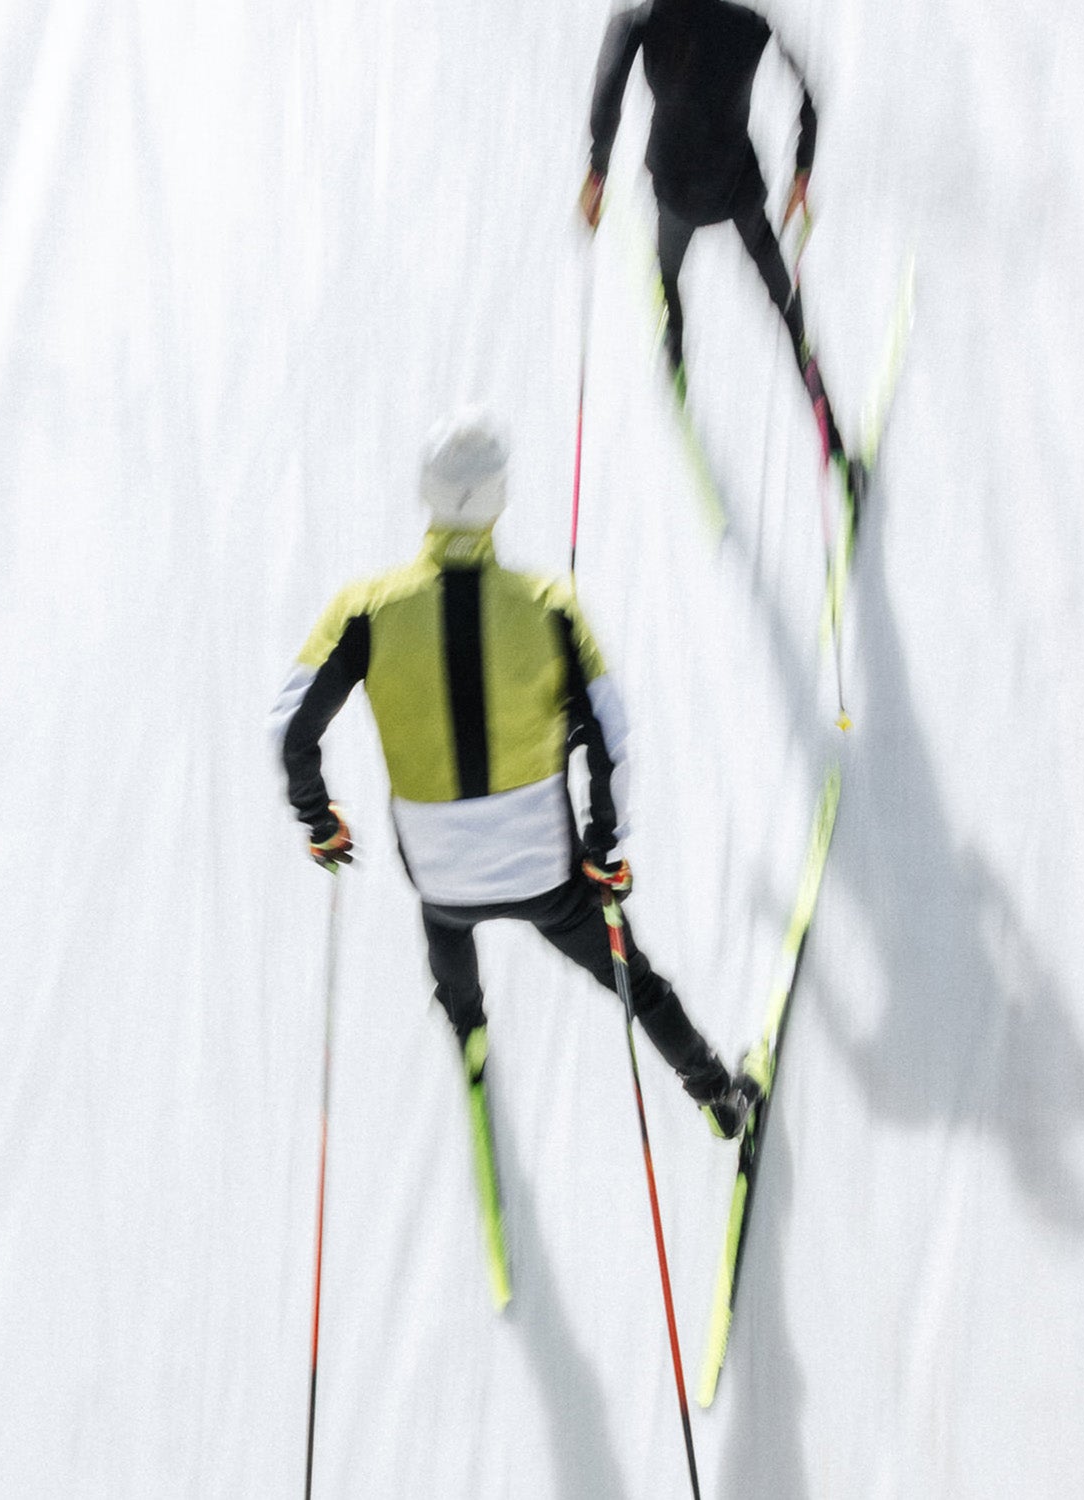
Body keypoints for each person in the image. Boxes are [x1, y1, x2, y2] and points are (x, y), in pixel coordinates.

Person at [270, 409, 761, 1139]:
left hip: (438, 871)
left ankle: (467, 1028)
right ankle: (717, 1095)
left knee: (446, 921)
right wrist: (604, 849)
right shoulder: (551, 606)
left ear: (425, 493)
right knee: (634, 979)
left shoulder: (364, 610)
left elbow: (290, 731)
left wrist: (320, 822)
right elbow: (612, 740)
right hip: (548, 875)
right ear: (501, 496)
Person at [581, 0, 863, 506]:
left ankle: (674, 350)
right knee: (789, 312)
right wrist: (802, 171)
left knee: (668, 274)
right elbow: (809, 98)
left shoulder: (641, 21)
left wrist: (597, 171)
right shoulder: (749, 24)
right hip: (738, 191)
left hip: (675, 194)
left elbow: (608, 97)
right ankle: (837, 449)